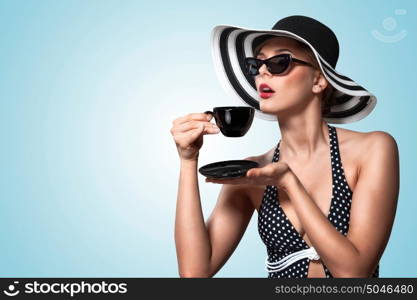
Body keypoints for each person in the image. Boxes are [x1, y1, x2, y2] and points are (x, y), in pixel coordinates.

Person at [170, 15, 399, 278]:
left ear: (318, 81)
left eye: (280, 62)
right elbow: (194, 273)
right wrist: (188, 160)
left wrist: (289, 182)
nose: (263, 72)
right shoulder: (252, 173)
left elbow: (354, 274)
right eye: (256, 64)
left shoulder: (373, 150)